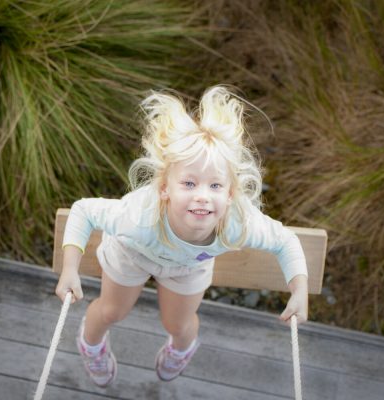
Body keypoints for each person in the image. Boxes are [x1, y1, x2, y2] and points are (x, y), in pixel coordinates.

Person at [55, 86, 308, 387]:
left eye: (215, 186)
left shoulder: (237, 223)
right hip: (133, 252)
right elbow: (83, 211)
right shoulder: (138, 217)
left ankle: (181, 348)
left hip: (189, 265)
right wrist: (70, 268)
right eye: (189, 183)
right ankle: (91, 344)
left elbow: (285, 241)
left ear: (230, 194)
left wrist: (299, 289)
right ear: (165, 189)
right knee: (112, 311)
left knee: (178, 323)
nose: (202, 197)